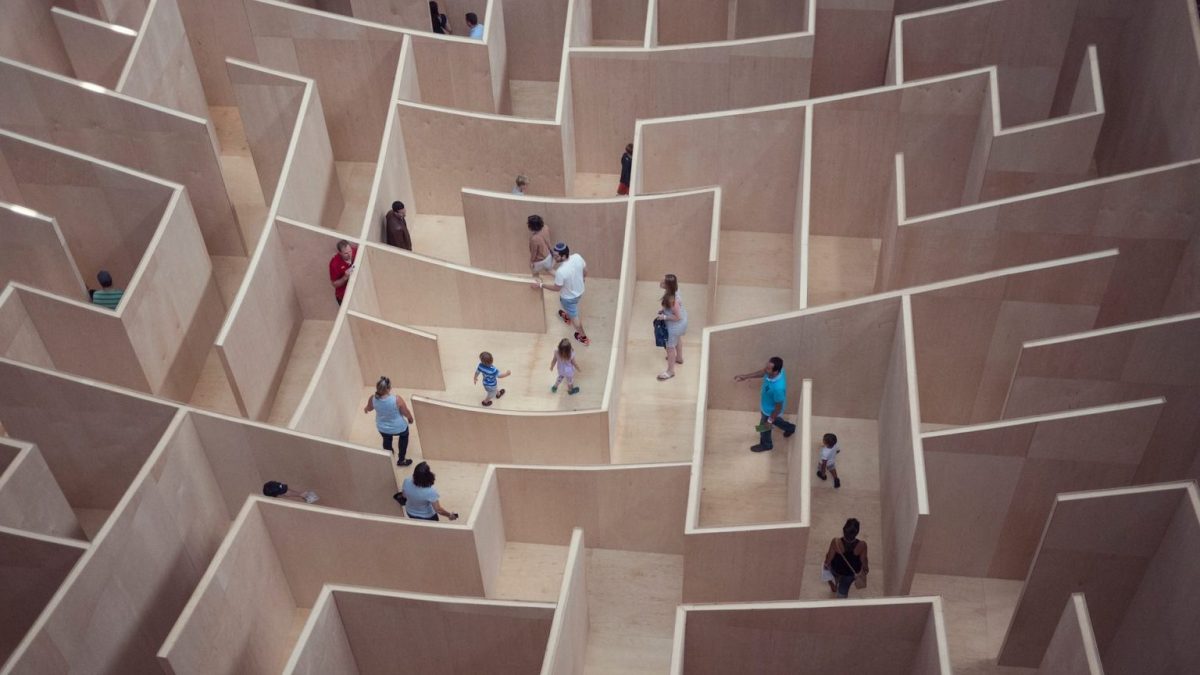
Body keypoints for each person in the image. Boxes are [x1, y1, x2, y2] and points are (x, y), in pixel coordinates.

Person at [733, 356, 796, 452]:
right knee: (777, 421)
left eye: (768, 369)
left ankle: (766, 445)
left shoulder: (778, 388)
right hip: (766, 407)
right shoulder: (777, 370)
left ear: (775, 371)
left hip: (771, 412)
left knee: (763, 428)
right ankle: (790, 428)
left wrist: (770, 420)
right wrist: (745, 376)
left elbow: (778, 407)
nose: (765, 369)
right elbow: (763, 372)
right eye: (766, 366)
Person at [532, 242, 590, 345]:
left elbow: (556, 288)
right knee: (568, 307)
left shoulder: (561, 271)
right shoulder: (577, 257)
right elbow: (585, 270)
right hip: (580, 291)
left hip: (568, 298)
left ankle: (583, 337)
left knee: (575, 318)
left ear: (563, 256)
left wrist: (541, 285)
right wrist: (583, 280)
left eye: (556, 256)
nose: (554, 257)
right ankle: (567, 315)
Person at [363, 376, 414, 467]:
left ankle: (389, 457)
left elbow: (369, 408)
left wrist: (366, 409)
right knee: (404, 436)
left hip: (383, 428)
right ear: (389, 389)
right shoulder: (397, 399)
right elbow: (405, 412)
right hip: (399, 427)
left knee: (386, 440)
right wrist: (410, 418)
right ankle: (401, 459)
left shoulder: (373, 398)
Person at [823, 518, 868, 598]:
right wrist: (866, 569)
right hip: (850, 573)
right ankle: (841, 597)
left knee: (833, 576)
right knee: (844, 589)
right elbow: (863, 560)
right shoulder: (862, 545)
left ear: (844, 529)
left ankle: (834, 587)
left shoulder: (836, 542)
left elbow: (829, 557)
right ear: (857, 532)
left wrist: (826, 564)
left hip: (836, 568)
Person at [656, 274, 687, 381]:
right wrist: (665, 311)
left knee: (670, 348)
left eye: (663, 281)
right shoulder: (674, 291)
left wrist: (664, 316)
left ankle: (670, 371)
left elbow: (677, 317)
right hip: (681, 323)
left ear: (668, 285)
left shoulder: (672, 299)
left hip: (675, 325)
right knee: (677, 339)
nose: (660, 281)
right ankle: (679, 358)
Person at [329, 239, 357, 305]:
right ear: (340, 253)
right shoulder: (334, 264)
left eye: (350, 251)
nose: (350, 254)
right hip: (343, 297)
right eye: (346, 253)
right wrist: (345, 277)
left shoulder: (355, 251)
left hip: (356, 293)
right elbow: (334, 284)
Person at [528, 215, 554, 279]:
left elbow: (534, 252)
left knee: (535, 273)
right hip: (548, 256)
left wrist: (531, 262)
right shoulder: (546, 227)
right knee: (551, 270)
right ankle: (562, 281)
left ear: (531, 226)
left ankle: (538, 285)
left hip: (539, 261)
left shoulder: (534, 239)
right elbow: (548, 240)